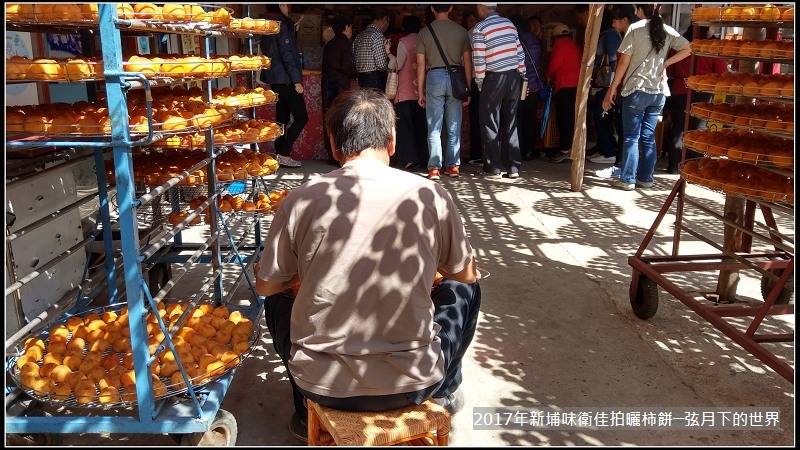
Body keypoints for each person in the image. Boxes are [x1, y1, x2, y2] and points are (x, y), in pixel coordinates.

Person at [255, 88, 482, 442]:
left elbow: (267, 285)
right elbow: (464, 273)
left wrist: (305, 273)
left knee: (277, 299)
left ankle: (303, 409)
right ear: (392, 141)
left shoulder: (300, 200)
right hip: (414, 382)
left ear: (334, 145)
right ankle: (445, 390)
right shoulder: (431, 195)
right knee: (466, 288)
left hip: (322, 384)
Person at [602, 4, 691, 191]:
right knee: (648, 137)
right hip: (658, 92)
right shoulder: (667, 30)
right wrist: (665, 63)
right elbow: (689, 48)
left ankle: (627, 179)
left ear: (641, 11)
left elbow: (624, 61)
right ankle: (645, 178)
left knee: (631, 137)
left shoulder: (635, 28)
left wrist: (613, 87)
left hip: (636, 89)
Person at [415, 4, 472, 180]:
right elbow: (467, 61)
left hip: (434, 77)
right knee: (454, 125)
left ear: (432, 8)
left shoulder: (424, 32)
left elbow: (421, 65)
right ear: (451, 8)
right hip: (456, 78)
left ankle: (434, 168)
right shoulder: (462, 31)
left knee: (434, 126)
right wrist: (468, 88)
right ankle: (453, 166)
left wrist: (420, 92)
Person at [470, 3, 526, 180]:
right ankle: (513, 167)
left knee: (489, 122)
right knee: (511, 122)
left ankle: (492, 168)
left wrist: (480, 83)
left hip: (494, 78)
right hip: (513, 77)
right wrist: (522, 76)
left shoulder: (480, 28)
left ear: (481, 8)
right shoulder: (509, 24)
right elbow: (520, 54)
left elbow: (479, 59)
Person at [663, 24, 728, 174]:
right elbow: (722, 72)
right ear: (707, 30)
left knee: (679, 127)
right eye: (712, 28)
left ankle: (674, 165)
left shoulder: (679, 45)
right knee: (699, 129)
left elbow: (670, 70)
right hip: (702, 91)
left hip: (680, 89)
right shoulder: (711, 48)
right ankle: (694, 167)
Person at [595, 5, 639, 179]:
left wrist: (612, 88)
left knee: (627, 133)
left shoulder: (629, 36)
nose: (613, 25)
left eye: (615, 21)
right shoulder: (638, 35)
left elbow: (620, 62)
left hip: (627, 87)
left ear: (625, 20)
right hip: (641, 88)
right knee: (637, 135)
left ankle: (622, 168)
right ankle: (638, 173)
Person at [261, 4, 307, 168]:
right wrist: (296, 81)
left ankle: (279, 152)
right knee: (302, 117)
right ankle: (284, 153)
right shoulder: (280, 24)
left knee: (282, 118)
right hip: (286, 78)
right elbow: (287, 54)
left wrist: (291, 29)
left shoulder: (268, 22)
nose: (289, 7)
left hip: (275, 78)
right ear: (280, 4)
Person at [586, 6, 629, 165]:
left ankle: (609, 151)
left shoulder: (610, 34)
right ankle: (605, 148)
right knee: (603, 117)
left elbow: (612, 57)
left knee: (601, 116)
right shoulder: (615, 34)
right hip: (608, 81)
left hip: (607, 81)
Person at [392, 14, 428, 171]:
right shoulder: (424, 40)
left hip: (405, 90)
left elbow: (398, 64)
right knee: (421, 126)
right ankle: (424, 158)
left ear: (404, 27)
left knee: (406, 126)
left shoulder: (404, 42)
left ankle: (409, 159)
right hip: (422, 90)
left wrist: (388, 54)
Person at [321, 14, 357, 166]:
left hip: (328, 84)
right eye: (350, 27)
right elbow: (346, 66)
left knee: (330, 118)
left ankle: (332, 154)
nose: (351, 30)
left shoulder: (330, 44)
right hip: (340, 85)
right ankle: (341, 155)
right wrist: (355, 73)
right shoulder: (344, 44)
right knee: (342, 118)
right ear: (346, 27)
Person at [510, 14, 544, 162]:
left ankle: (518, 150)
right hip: (534, 86)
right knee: (530, 119)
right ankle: (529, 151)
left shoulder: (515, 40)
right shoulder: (535, 40)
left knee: (517, 119)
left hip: (520, 86)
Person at [545, 23, 581, 164]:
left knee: (563, 118)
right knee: (570, 118)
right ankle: (569, 147)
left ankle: (565, 150)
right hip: (575, 85)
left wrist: (548, 74)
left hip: (564, 86)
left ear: (555, 36)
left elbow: (556, 62)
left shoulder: (560, 44)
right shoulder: (574, 44)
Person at [352, 7, 393, 91]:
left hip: (361, 79)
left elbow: (353, 60)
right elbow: (381, 65)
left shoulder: (359, 36)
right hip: (375, 80)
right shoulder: (378, 36)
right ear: (385, 19)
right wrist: (389, 62)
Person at [462, 9, 483, 167]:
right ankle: (485, 153)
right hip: (487, 79)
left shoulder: (469, 34)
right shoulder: (480, 32)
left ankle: (477, 153)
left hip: (476, 79)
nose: (474, 23)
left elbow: (466, 61)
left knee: (476, 118)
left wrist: (468, 85)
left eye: (474, 20)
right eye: (471, 20)